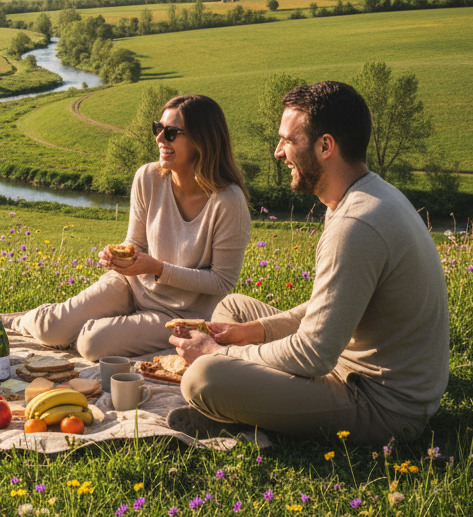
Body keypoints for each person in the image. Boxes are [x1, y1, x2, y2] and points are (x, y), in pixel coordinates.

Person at [169, 81, 449, 447]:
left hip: (383, 406)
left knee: (202, 378)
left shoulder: (356, 225)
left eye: (288, 140)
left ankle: (245, 415)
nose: (277, 152)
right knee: (233, 310)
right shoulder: (364, 195)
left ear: (325, 146)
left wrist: (223, 353)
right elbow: (328, 308)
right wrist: (252, 332)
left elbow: (314, 353)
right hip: (348, 365)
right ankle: (251, 403)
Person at [0, 94, 251, 361]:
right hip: (131, 286)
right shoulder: (148, 177)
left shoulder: (228, 202)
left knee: (90, 344)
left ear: (202, 141)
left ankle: (68, 323)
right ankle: (24, 320)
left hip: (178, 314)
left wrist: (157, 269)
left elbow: (221, 281)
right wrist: (121, 257)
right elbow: (136, 243)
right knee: (51, 330)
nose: (158, 139)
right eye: (158, 128)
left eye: (170, 133)